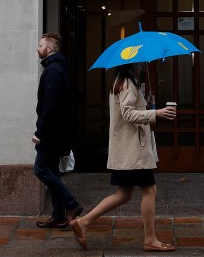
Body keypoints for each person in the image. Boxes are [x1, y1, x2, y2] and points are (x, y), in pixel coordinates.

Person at [70, 62, 177, 252]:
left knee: (123, 194)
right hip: (133, 151)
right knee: (149, 191)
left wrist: (146, 101)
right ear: (131, 64)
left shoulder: (122, 81)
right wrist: (156, 112)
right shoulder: (128, 83)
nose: (142, 65)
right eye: (139, 62)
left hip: (127, 151)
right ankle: (150, 240)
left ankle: (83, 222)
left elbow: (130, 109)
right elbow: (128, 114)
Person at [32, 32, 83, 228]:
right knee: (51, 169)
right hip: (58, 131)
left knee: (41, 169)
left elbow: (50, 106)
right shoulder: (57, 68)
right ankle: (58, 215)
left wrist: (40, 132)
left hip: (52, 132)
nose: (37, 48)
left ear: (50, 48)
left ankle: (71, 205)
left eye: (40, 45)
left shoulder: (53, 70)